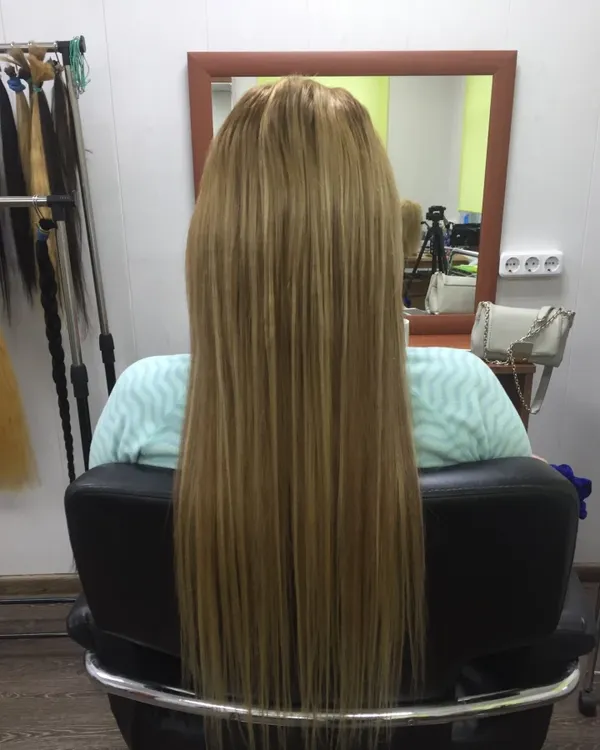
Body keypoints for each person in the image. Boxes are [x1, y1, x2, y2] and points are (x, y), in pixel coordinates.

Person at [89, 77, 531, 743]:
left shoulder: (140, 400)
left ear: (213, 238)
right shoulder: (468, 390)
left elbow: (115, 590)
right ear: (378, 234)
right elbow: (514, 581)